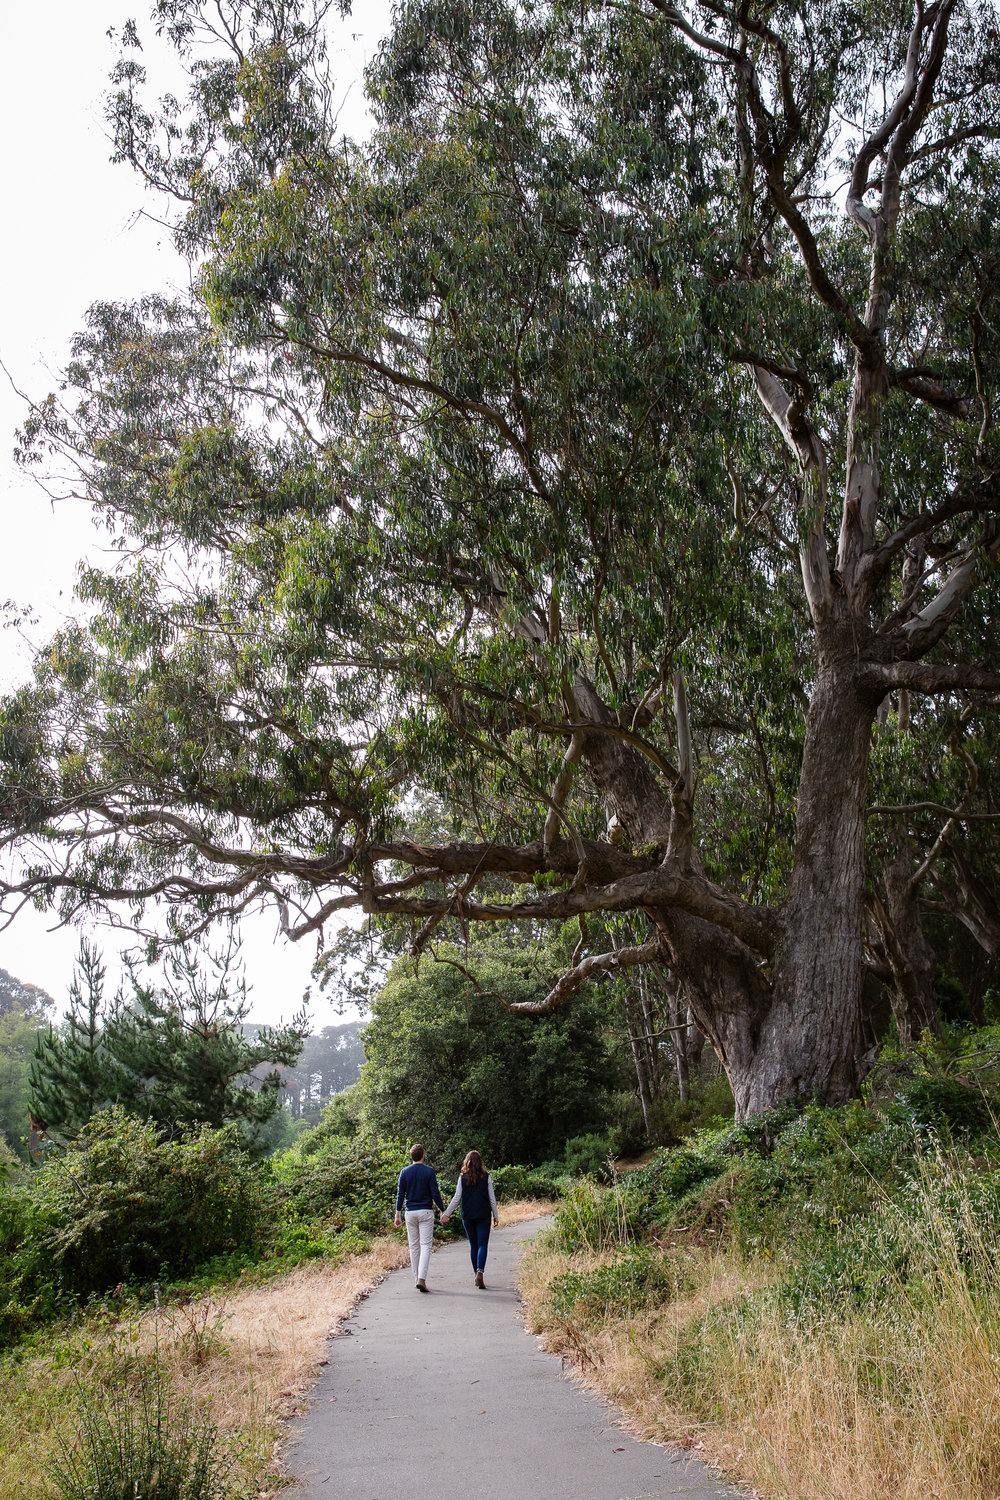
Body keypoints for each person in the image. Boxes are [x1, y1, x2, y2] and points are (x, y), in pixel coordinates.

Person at [442, 1150, 499, 1289]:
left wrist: (447, 1214)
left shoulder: (462, 1177)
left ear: (467, 1162)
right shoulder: (486, 1177)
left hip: (467, 1216)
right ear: (480, 1163)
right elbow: (492, 1198)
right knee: (483, 1245)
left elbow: (457, 1197)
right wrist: (496, 1215)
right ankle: (480, 1271)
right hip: (483, 1215)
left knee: (473, 1245)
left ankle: (475, 1273)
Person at [394, 1142, 445, 1292]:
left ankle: (416, 1278)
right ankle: (422, 1278)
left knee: (414, 1246)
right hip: (426, 1212)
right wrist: (443, 1210)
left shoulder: (404, 1172)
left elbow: (400, 1195)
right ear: (423, 1155)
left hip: (410, 1212)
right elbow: (435, 1193)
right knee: (426, 1245)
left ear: (411, 1156)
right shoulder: (429, 1172)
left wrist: (397, 1215)